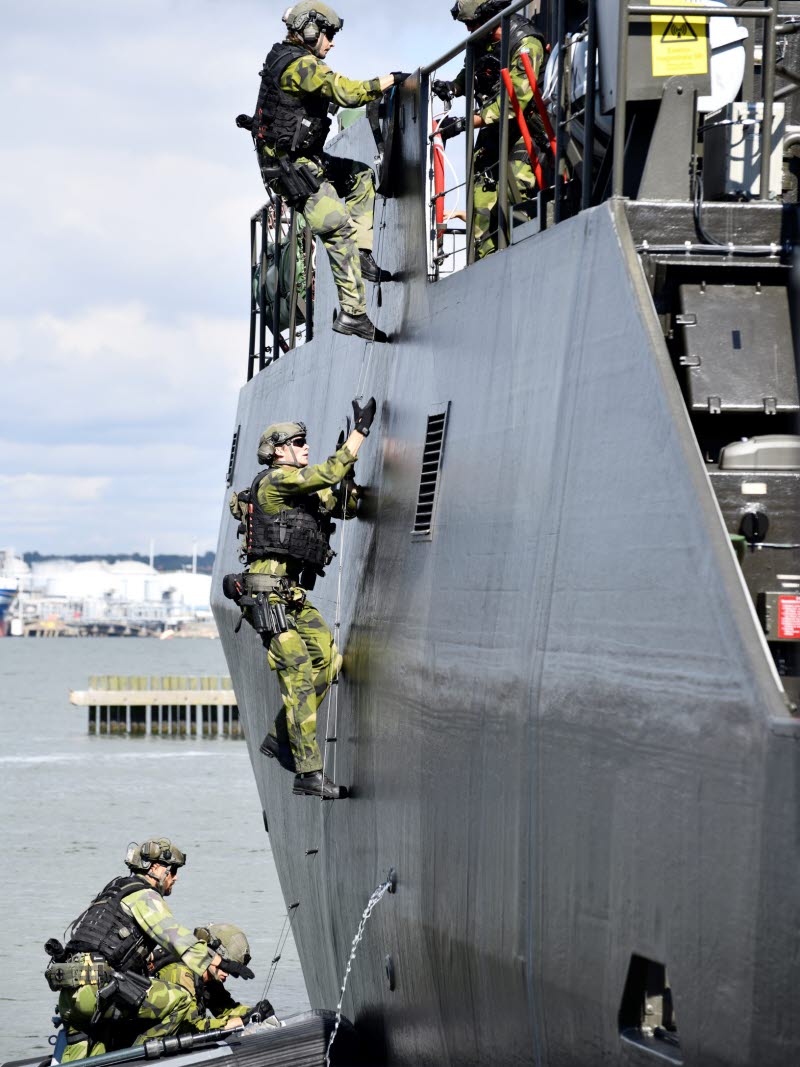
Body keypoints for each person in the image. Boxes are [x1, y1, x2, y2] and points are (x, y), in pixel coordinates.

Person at [227, 397, 377, 800]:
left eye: (305, 440)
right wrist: (358, 437)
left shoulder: (301, 490)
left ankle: (280, 736)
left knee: (328, 662)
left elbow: (343, 506)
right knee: (296, 671)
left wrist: (346, 480)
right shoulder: (275, 482)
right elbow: (325, 472)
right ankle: (308, 772)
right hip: (266, 595)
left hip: (291, 595)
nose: (304, 445)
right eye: (297, 441)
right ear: (278, 451)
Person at [239, 2, 410, 343]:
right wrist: (390, 80)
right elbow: (346, 93)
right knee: (337, 228)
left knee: (360, 178)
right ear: (311, 31)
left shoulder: (285, 57)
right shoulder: (300, 64)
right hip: (294, 170)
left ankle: (362, 256)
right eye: (328, 34)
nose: (331, 43)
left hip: (303, 160)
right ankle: (353, 314)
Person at [45, 839, 242, 1061]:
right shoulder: (144, 895)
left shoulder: (112, 892)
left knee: (90, 1053)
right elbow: (173, 935)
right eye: (173, 870)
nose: (175, 877)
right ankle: (135, 1060)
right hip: (97, 991)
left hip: (70, 997)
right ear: (156, 868)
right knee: (180, 1000)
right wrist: (216, 961)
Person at [433, 0, 547, 260]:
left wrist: (465, 123)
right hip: (491, 130)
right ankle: (486, 261)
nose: (469, 30)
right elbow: (472, 70)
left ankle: (524, 254)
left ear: (492, 16)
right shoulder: (479, 41)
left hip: (524, 130)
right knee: (480, 199)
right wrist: (453, 87)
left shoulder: (525, 42)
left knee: (515, 189)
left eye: (472, 23)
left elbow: (515, 99)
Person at [153, 923, 278, 1032]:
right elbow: (192, 1027)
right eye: (226, 967)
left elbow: (226, 1009)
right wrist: (241, 1021)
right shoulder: (181, 973)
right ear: (213, 955)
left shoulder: (209, 979)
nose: (227, 974)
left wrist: (255, 1011)